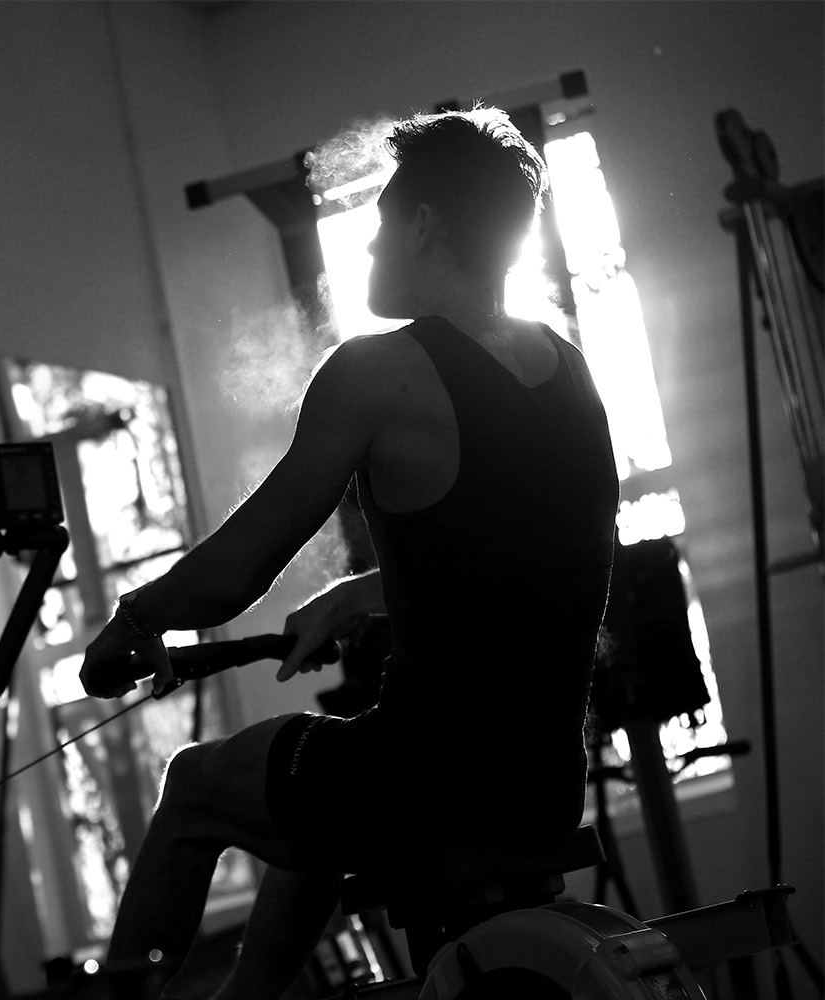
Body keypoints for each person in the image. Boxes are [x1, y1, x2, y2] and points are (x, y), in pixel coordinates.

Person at [80, 108, 617, 1000]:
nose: (369, 255)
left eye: (377, 229)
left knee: (196, 784)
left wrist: (133, 623)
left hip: (427, 779)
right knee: (321, 783)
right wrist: (361, 592)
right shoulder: (566, 368)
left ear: (422, 224)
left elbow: (232, 573)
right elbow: (524, 554)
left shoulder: (377, 370)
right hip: (543, 785)